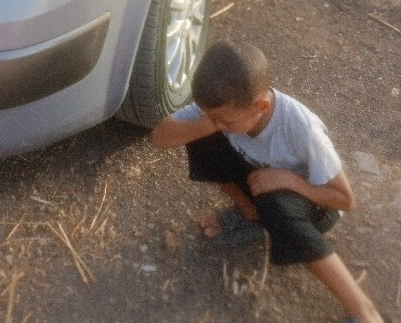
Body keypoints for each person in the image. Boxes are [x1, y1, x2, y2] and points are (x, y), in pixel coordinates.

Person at [149, 39, 385, 323]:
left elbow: (345, 200)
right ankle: (250, 214)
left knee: (275, 203)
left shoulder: (301, 129)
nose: (218, 123)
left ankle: (361, 308)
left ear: (260, 106)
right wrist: (210, 124)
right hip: (262, 182)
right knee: (199, 136)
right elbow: (160, 137)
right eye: (211, 115)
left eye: (225, 119)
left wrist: (291, 181)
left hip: (314, 205)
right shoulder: (226, 109)